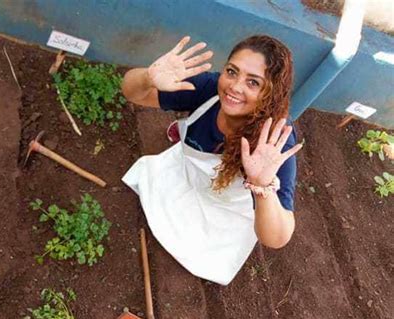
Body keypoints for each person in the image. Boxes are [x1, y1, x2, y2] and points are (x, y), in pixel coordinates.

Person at [121, 35, 302, 285]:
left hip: (225, 208)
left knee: (205, 254)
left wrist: (262, 186)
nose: (235, 87)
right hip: (186, 178)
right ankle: (184, 132)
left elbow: (277, 237)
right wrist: (147, 78)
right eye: (232, 71)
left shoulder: (274, 140)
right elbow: (134, 93)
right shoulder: (209, 88)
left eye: (253, 82)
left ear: (270, 94)